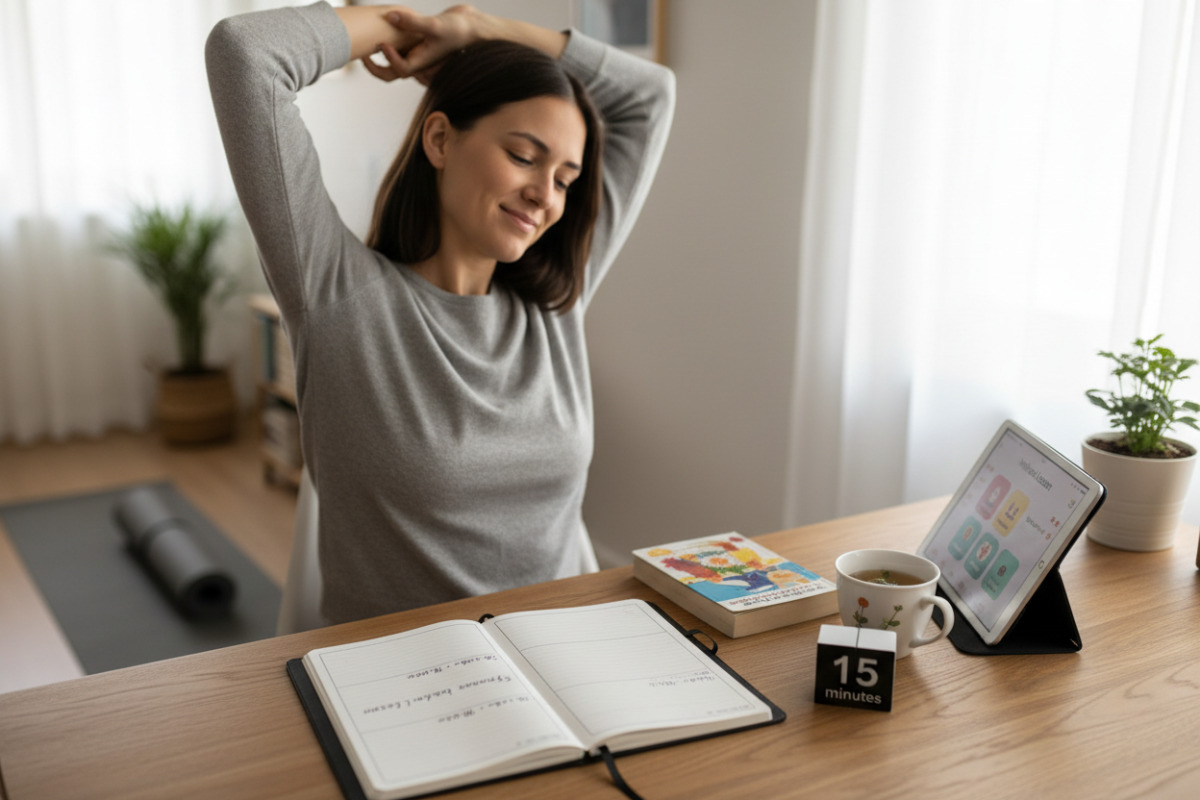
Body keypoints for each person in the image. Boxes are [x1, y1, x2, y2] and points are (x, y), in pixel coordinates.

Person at [206, 2, 675, 626]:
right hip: (406, 684)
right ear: (439, 139)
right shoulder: (337, 297)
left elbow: (651, 95)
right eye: (524, 155)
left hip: (565, 656)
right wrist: (401, 27)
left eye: (565, 178)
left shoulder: (554, 307)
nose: (546, 196)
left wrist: (487, 29)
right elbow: (245, 53)